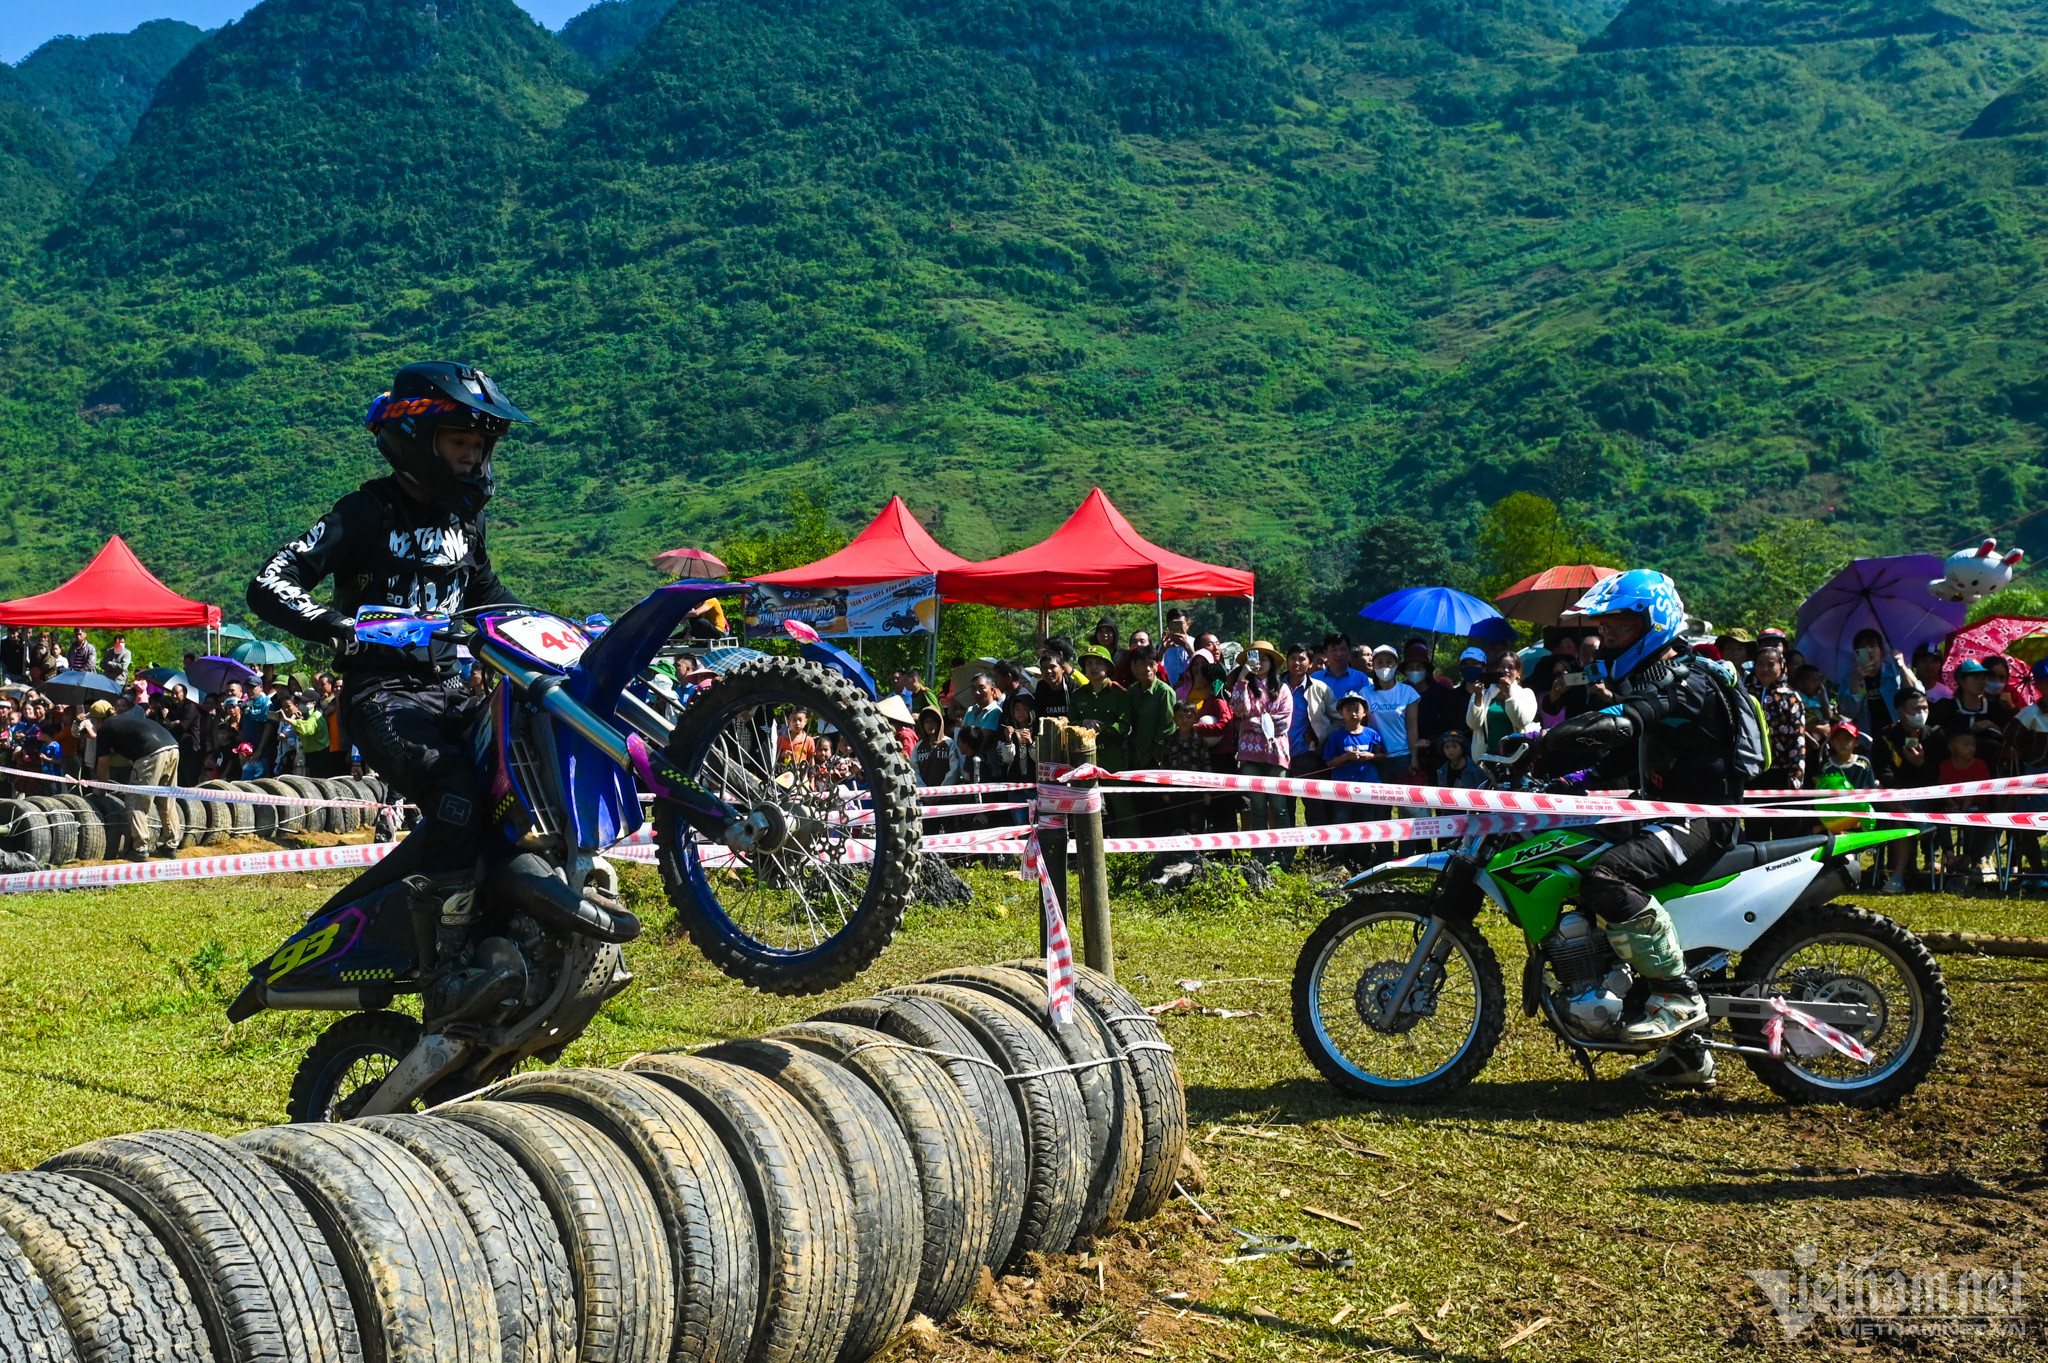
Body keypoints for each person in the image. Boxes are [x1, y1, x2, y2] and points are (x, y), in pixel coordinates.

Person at [245, 360, 638, 999]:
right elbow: (270, 583)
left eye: (481, 445)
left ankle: (513, 927)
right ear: (417, 440)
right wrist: (340, 627)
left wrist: (566, 636)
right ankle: (447, 968)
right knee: (457, 799)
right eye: (460, 442)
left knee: (524, 778)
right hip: (383, 697)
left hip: (457, 694)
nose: (473, 457)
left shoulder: (466, 523)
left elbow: (489, 597)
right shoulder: (364, 511)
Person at [1522, 569, 1746, 1089]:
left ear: (1655, 623)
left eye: (1620, 627)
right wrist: (1565, 781)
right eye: (1605, 628)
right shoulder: (1652, 679)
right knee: (1582, 865)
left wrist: (1548, 742)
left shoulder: (1687, 681)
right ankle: (1687, 1055)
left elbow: (1622, 723)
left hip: (1702, 820)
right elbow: (1624, 755)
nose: (1609, 638)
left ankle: (1677, 996)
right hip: (1662, 812)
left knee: (1606, 878)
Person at [90, 697, 182, 860]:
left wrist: (101, 789)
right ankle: (171, 845)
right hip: (172, 747)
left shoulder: (105, 729)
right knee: (166, 799)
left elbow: (103, 764)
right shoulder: (124, 719)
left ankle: (140, 849)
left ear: (96, 719)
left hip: (151, 752)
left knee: (136, 800)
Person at [1230, 641, 1295, 835]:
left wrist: (1250, 724)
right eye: (1254, 660)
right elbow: (1239, 709)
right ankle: (1261, 850)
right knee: (1257, 808)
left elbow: (1283, 724)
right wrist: (1242, 677)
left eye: (1264, 659)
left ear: (1272, 663)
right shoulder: (1244, 686)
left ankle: (1284, 849)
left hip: (1277, 753)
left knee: (1279, 807)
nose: (1259, 664)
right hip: (1249, 755)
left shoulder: (1283, 689)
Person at [1286, 642, 1333, 829]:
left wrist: (1319, 733)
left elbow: (1338, 718)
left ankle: (1317, 843)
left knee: (1314, 804)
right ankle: (1286, 845)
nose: (1296, 663)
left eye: (1302, 659)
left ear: (1310, 663)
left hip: (1307, 754)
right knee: (1283, 806)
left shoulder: (1320, 688)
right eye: (1292, 658)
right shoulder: (1274, 686)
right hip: (1279, 755)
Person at [1362, 644, 1421, 780]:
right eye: (1379, 662)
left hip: (1402, 756)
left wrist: (1414, 758)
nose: (1385, 666)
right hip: (1376, 756)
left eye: (1389, 662)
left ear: (1396, 664)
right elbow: (1362, 726)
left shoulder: (1408, 692)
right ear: (1373, 665)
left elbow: (1412, 728)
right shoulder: (1364, 693)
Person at [1465, 652, 1535, 759]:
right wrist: (1478, 696)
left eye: (1511, 667)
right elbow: (1473, 725)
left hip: (1517, 757)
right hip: (1488, 757)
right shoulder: (1482, 694)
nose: (1505, 670)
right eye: (1502, 666)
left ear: (1518, 673)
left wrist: (1509, 694)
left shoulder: (1526, 694)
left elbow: (1521, 721)